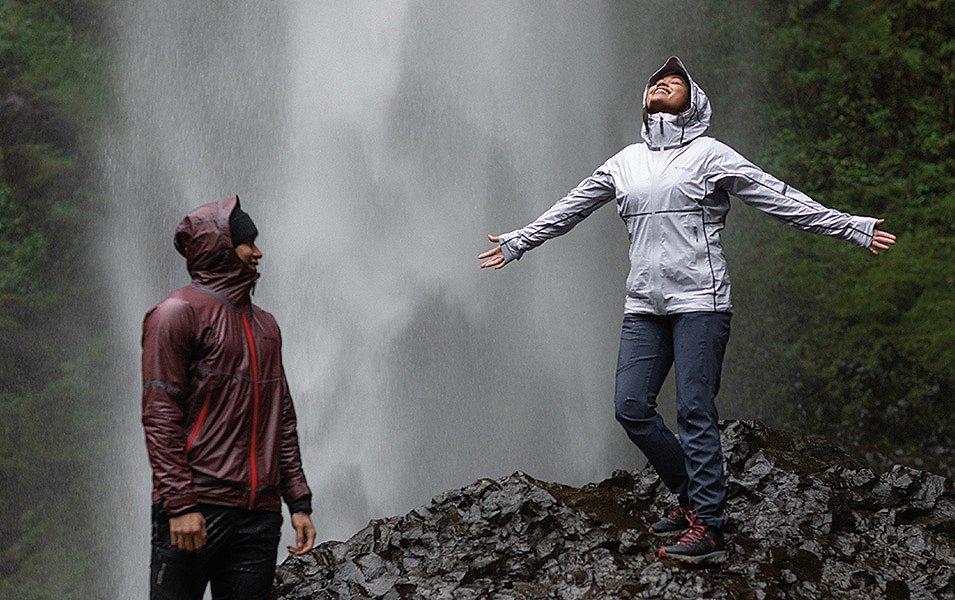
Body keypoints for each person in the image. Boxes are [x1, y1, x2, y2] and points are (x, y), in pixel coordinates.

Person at [477, 56, 896, 564]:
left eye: (674, 81)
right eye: (656, 80)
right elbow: (570, 208)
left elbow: (778, 197)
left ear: (694, 102)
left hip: (701, 300)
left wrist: (850, 226)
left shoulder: (710, 155)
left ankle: (710, 528)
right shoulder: (624, 162)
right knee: (630, 407)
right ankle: (693, 496)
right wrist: (519, 241)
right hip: (644, 305)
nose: (662, 82)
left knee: (694, 410)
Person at [141, 195, 317, 598]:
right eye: (248, 243)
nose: (258, 252)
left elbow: (282, 419)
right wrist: (181, 503)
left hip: (258, 516)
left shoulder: (265, 325)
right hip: (197, 506)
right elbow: (159, 413)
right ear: (221, 246)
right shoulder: (176, 314)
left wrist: (299, 501)